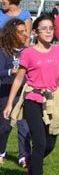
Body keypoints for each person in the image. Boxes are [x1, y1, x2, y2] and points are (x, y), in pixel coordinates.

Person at [3, 14, 59, 175]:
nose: (48, 32)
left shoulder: (58, 51)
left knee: (50, 143)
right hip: (32, 99)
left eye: (50, 28)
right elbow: (19, 79)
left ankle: (31, 161)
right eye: (43, 28)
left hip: (52, 100)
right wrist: (9, 105)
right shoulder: (28, 53)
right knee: (40, 141)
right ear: (35, 32)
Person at [0, 19, 31, 166]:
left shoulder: (28, 51)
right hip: (7, 92)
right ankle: (1, 151)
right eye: (21, 32)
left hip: (25, 92)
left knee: (24, 125)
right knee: (5, 125)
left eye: (25, 30)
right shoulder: (3, 51)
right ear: (12, 34)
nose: (25, 34)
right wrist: (12, 71)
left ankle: (24, 156)